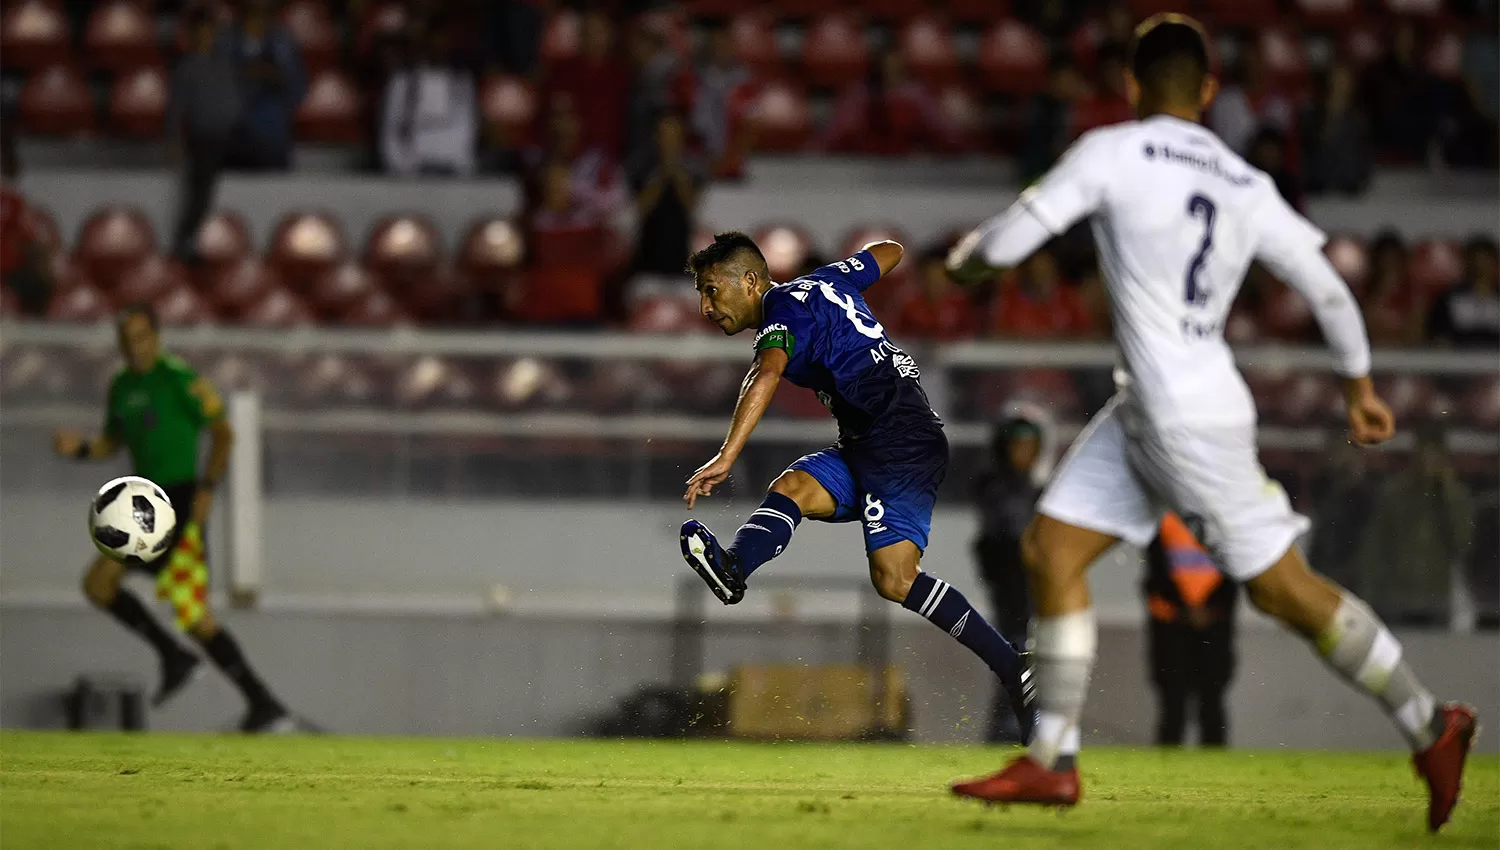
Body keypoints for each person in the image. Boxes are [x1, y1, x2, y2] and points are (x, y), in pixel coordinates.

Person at [944, 15, 1476, 832]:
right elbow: (1330, 288)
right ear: (1208, 92)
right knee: (1051, 548)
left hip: (1187, 421)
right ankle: (1051, 761)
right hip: (1153, 408)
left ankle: (1432, 725)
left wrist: (969, 259)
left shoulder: (1111, 151)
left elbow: (1012, 239)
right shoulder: (1244, 181)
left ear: (1131, 85)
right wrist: (1358, 386)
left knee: (1283, 592)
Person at [676, 232, 1034, 739]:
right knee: (795, 485)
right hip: (872, 440)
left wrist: (726, 455)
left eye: (712, 290)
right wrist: (852, 270)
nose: (706, 306)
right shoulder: (824, 282)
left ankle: (1012, 668)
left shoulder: (782, 313)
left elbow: (766, 372)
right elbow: (892, 251)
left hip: (901, 441)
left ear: (752, 281)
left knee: (895, 579)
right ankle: (734, 568)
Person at [51, 304, 292, 732]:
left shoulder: (179, 380)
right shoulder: (122, 386)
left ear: (157, 338)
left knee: (101, 582)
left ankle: (178, 659)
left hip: (176, 500)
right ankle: (261, 702)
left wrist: (207, 489)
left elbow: (224, 433)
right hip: (145, 499)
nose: (135, 348)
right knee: (191, 614)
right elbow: (113, 441)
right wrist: (83, 449)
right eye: (127, 341)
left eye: (142, 338)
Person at [1353, 424, 1472, 627]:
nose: (1428, 461)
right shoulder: (1395, 494)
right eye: (1424, 453)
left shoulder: (1454, 496)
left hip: (1435, 599)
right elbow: (1375, 547)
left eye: (1434, 455)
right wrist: (1370, 594)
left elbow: (1462, 543)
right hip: (1396, 599)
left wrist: (1446, 492)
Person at [973, 416, 1045, 742]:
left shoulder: (1035, 489)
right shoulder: (996, 488)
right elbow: (1008, 537)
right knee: (1015, 653)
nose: (1024, 453)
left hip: (1034, 588)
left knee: (1027, 652)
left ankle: (1022, 721)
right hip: (1011, 586)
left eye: (1031, 446)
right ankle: (1011, 724)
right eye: (1018, 446)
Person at [1143, 512, 1238, 747]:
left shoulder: (1223, 521)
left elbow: (1233, 574)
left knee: (1211, 701)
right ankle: (1167, 765)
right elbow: (1155, 573)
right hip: (1172, 626)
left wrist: (1210, 609)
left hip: (1212, 625)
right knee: (1173, 703)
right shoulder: (1162, 522)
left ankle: (1216, 767)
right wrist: (1186, 609)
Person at [166, 4, 242, 264]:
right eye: (201, 31)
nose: (207, 36)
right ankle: (185, 240)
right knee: (200, 192)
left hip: (231, 136)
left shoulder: (224, 63)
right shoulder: (187, 67)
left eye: (211, 31)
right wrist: (174, 140)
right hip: (204, 138)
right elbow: (175, 110)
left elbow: (232, 99)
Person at [379, 16, 478, 177]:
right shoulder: (402, 83)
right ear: (424, 43)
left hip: (452, 169)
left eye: (444, 41)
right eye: (435, 40)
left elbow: (468, 132)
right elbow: (390, 133)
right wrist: (402, 167)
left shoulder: (463, 83)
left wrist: (456, 165)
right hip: (409, 171)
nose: (439, 46)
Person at [1426, 236, 1500, 349]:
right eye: (1475, 261)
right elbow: (1437, 335)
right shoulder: (1448, 298)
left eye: (1485, 261)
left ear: (1495, 262)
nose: (1480, 267)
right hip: (1459, 362)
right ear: (1466, 262)